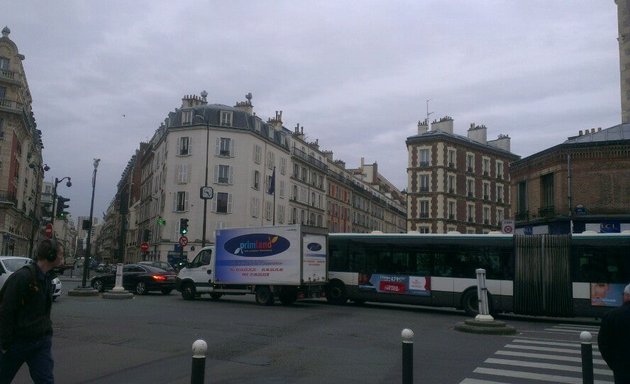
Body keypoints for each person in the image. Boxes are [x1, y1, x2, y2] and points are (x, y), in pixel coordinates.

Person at [0, 238, 64, 383]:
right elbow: (6, 310)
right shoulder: (22, 277)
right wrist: (5, 343)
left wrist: (47, 332)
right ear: (51, 255)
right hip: (17, 343)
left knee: (45, 380)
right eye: (61, 254)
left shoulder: (47, 277)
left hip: (40, 342)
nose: (62, 258)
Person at [598, 283, 630, 384]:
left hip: (622, 368)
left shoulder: (611, 316)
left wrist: (614, 364)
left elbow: (603, 343)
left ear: (626, 296)